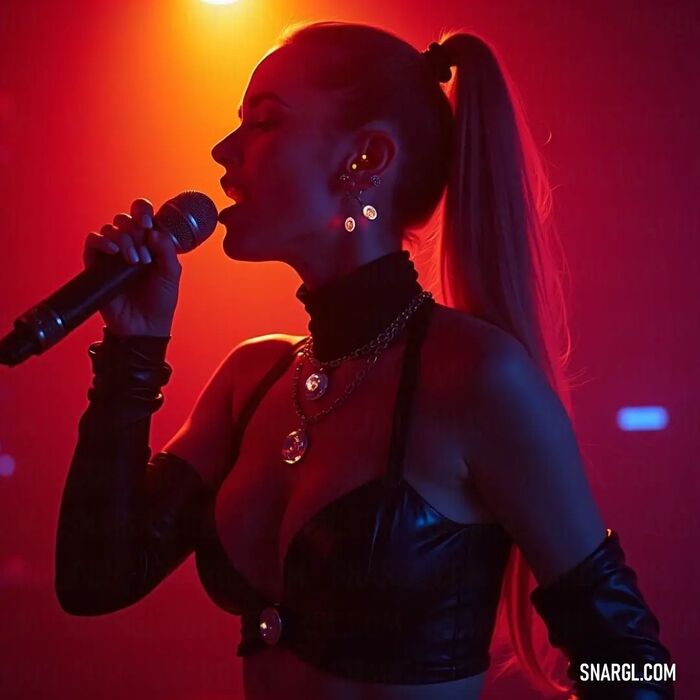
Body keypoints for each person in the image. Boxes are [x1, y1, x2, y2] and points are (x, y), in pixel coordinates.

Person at [54, 21, 674, 700]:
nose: (223, 151)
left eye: (264, 122)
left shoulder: (475, 378)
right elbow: (94, 579)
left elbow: (635, 665)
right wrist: (133, 350)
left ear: (367, 157)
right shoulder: (251, 380)